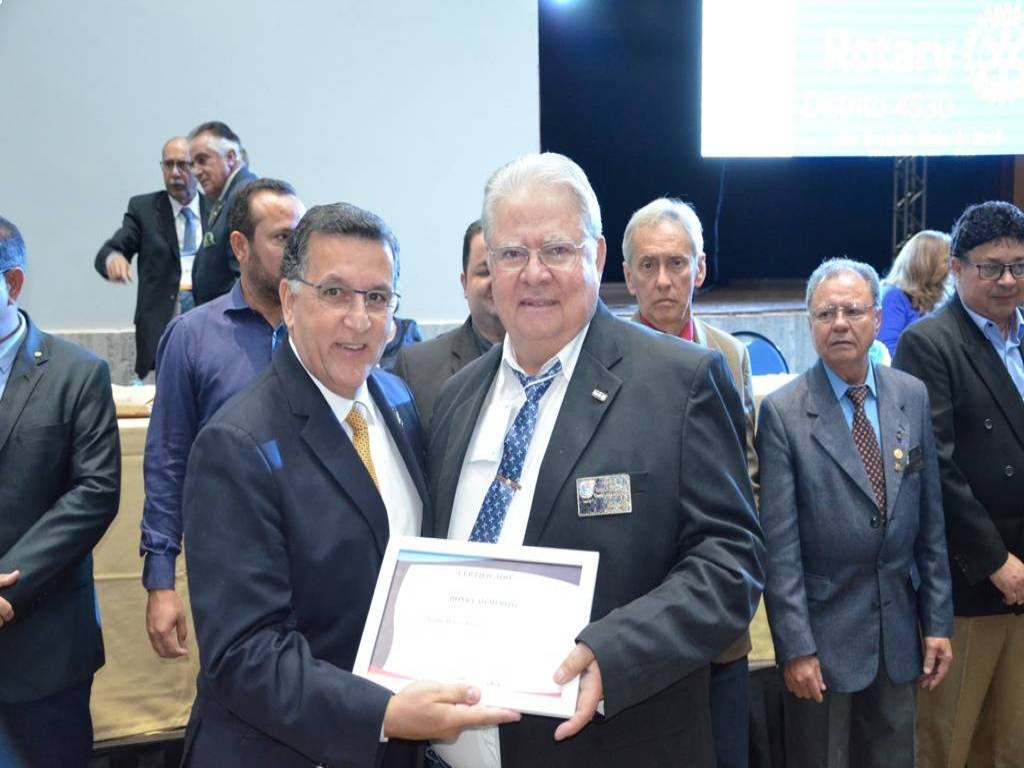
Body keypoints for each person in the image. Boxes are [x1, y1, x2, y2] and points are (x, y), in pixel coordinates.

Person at [426, 153, 764, 767]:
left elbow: (731, 564)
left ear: (599, 256)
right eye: (512, 253)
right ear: (489, 268)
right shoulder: (455, 398)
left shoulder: (680, 382)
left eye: (557, 250)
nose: (534, 274)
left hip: (612, 743)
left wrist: (617, 651)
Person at [180, 202, 519, 766]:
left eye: (377, 297)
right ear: (290, 301)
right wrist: (384, 714)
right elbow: (243, 655)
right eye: (335, 293)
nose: (359, 320)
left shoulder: (398, 401)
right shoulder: (236, 444)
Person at [758, 258, 953, 768]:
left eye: (853, 311)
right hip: (822, 645)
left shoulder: (911, 395)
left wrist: (937, 622)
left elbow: (931, 524)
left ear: (876, 317)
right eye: (826, 314)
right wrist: (796, 648)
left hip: (898, 637)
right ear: (810, 323)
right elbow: (780, 549)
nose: (840, 323)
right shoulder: (783, 412)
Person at [141, 179, 304, 660]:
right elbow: (168, 459)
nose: (297, 252)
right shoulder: (192, 337)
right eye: (282, 238)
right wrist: (160, 581)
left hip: (317, 559)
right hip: (232, 562)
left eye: (301, 237)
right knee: (239, 684)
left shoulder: (321, 332)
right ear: (240, 246)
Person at [621, 196, 758, 768]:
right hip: (635, 606)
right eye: (648, 265)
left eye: (677, 263)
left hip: (716, 611)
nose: (663, 281)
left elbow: (748, 474)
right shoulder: (605, 357)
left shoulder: (729, 354)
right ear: (627, 275)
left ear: (699, 269)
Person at [893, 200, 1024, 768]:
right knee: (950, 745)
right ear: (955, 267)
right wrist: (996, 561)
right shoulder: (929, 343)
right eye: (991, 267)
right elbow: (934, 466)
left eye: (1018, 266)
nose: (1008, 280)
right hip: (972, 582)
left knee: (1012, 745)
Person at [0, 216, 121, 767]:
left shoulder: (77, 373)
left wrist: (10, 585)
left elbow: (94, 492)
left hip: (43, 641)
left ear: (13, 284)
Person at [94, 137, 208, 381]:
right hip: (161, 330)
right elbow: (112, 248)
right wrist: (113, 258)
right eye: (168, 165)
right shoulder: (144, 209)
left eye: (182, 165)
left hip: (209, 326)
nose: (174, 173)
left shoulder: (217, 209)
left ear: (197, 167)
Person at [394, 219, 505, 424]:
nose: (496, 282)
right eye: (484, 272)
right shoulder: (417, 367)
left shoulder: (555, 360)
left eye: (506, 269)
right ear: (464, 284)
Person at [188, 121, 258, 305]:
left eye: (202, 160)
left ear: (230, 157)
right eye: (192, 164)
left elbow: (245, 277)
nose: (195, 171)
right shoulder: (229, 196)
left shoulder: (243, 195)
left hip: (231, 318)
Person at [878, 230, 952, 357]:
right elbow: (888, 350)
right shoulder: (894, 296)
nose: (952, 267)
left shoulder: (941, 298)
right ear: (926, 265)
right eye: (946, 261)